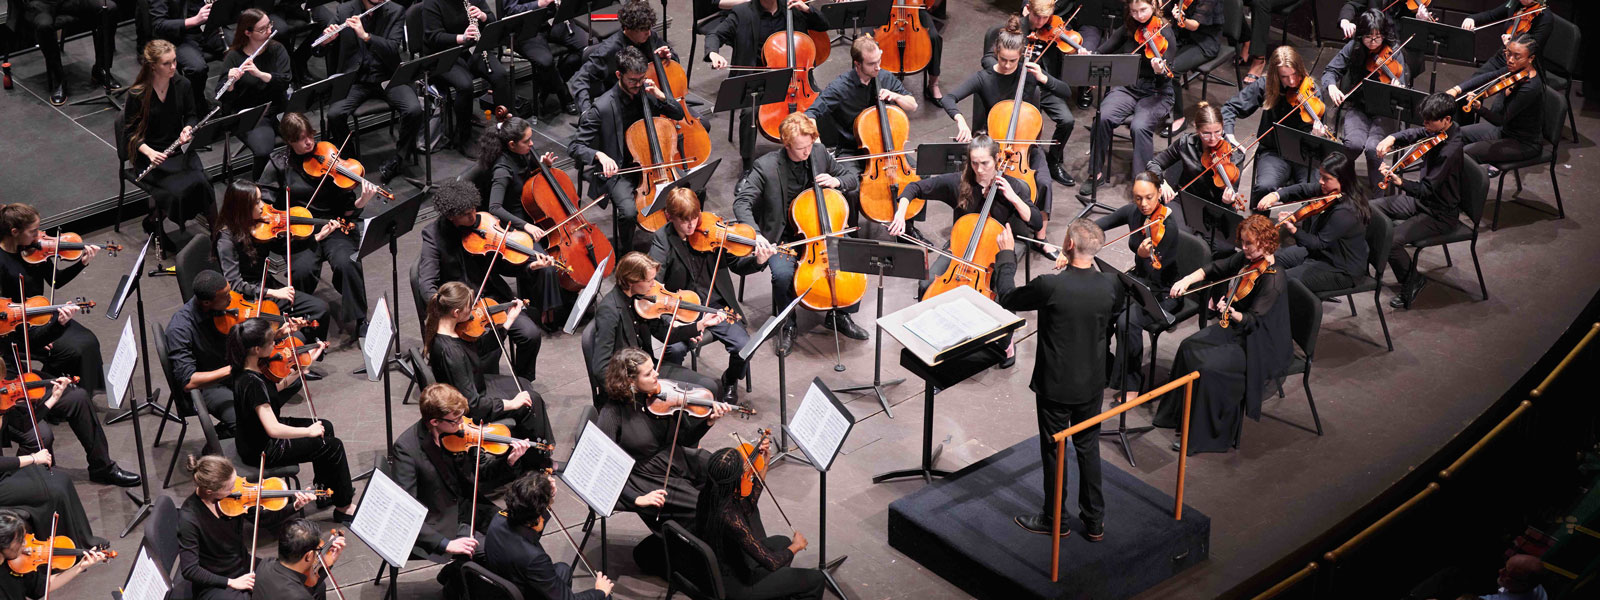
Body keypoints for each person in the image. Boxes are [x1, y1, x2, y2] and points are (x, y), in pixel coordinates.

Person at [992, 218, 1122, 540]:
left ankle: (1055, 519)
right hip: (1092, 382)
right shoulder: (1111, 284)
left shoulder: (1050, 286)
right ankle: (1094, 522)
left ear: (1068, 245)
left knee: (1055, 450)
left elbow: (1008, 297)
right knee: (1088, 447)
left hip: (1056, 386)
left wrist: (1006, 256)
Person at [1155, 215, 1292, 454]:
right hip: (1237, 328)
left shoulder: (1274, 279)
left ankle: (1203, 436)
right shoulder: (1247, 260)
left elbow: (1254, 320)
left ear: (1265, 243)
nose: (1243, 248)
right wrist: (1187, 280)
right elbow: (1215, 268)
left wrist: (1231, 311)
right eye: (1243, 242)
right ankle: (1176, 415)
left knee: (1208, 368)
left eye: (1249, 243)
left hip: (1259, 342)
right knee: (1188, 346)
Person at [732, 113, 865, 354]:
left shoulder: (819, 152)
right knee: (782, 275)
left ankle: (839, 315)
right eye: (800, 148)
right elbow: (742, 202)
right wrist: (757, 235)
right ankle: (787, 323)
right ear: (786, 144)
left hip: (820, 231)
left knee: (850, 257)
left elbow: (851, 177)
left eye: (809, 146)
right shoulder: (766, 166)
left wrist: (836, 181)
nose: (806, 152)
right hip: (783, 237)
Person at [945, 19, 1073, 237]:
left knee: (1043, 181)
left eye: (1012, 61)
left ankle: (1040, 236)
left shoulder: (1029, 74)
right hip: (993, 145)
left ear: (1021, 55)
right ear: (996, 52)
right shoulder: (983, 78)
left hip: (1024, 146)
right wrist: (960, 120)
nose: (1006, 65)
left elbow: (1066, 92)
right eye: (1002, 59)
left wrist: (1043, 78)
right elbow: (949, 98)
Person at [649, 189, 777, 405]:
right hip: (683, 309)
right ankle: (672, 391)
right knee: (675, 348)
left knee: (744, 345)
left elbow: (737, 265)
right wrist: (674, 320)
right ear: (670, 217)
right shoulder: (663, 240)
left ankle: (730, 379)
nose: (692, 225)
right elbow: (654, 286)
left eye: (694, 217)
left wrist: (758, 261)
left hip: (716, 306)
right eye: (684, 220)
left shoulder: (711, 229)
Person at [258, 113, 379, 338]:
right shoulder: (278, 163)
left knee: (347, 263)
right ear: (289, 141)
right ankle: (304, 323)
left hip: (333, 225)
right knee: (301, 271)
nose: (308, 143)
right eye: (301, 139)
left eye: (310, 136)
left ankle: (361, 319)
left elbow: (347, 209)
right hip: (302, 231)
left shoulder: (328, 155)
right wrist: (278, 216)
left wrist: (361, 202)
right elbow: (264, 198)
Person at [225, 318, 355, 523]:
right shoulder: (251, 383)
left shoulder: (248, 367)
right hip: (263, 448)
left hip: (252, 436)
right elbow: (273, 429)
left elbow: (275, 388)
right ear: (257, 349)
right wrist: (308, 431)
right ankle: (344, 506)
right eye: (271, 343)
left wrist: (303, 366)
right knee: (333, 446)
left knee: (326, 426)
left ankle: (324, 491)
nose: (275, 345)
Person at [418, 181, 553, 378]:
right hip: (461, 308)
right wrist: (450, 309)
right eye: (466, 215)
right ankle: (485, 390)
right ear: (451, 216)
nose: (473, 217)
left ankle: (523, 382)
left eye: (474, 210)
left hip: (493, 297)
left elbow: (501, 265)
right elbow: (426, 284)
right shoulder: (433, 236)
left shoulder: (483, 227)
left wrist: (530, 266)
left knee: (530, 335)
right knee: (485, 350)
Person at [885, 135, 1043, 301]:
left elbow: (1036, 222)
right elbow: (914, 187)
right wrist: (901, 213)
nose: (979, 169)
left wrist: (1013, 198)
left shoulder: (1013, 186)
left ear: (997, 159)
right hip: (960, 245)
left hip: (996, 248)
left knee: (997, 296)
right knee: (927, 284)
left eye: (985, 163)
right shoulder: (958, 183)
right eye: (974, 163)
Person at [394, 384, 534, 561]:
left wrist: (509, 460)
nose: (462, 423)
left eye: (462, 416)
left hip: (469, 506)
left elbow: (481, 475)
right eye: (456, 419)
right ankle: (461, 580)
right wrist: (446, 544)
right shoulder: (407, 449)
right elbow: (406, 512)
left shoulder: (458, 435)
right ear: (434, 422)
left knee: (520, 533)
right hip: (440, 520)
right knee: (497, 552)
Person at [568, 45, 686, 255]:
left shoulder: (647, 92)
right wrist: (600, 155)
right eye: (633, 80)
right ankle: (627, 254)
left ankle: (682, 239)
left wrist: (661, 97)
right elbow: (575, 147)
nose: (638, 84)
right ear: (618, 75)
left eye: (641, 79)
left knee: (693, 190)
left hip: (654, 163)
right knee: (629, 213)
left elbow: (677, 115)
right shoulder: (602, 107)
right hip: (620, 171)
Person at [423, 282, 555, 461]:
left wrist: (508, 321)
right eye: (469, 308)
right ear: (456, 313)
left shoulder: (450, 330)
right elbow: (473, 404)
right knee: (532, 400)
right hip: (472, 404)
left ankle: (537, 451)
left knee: (524, 383)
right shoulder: (451, 354)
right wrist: (511, 403)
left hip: (477, 383)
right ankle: (539, 459)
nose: (473, 312)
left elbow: (480, 347)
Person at [599, 347, 732, 522]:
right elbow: (604, 467)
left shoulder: (661, 398)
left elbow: (685, 439)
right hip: (646, 475)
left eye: (654, 368)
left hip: (675, 458)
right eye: (648, 374)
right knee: (705, 508)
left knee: (727, 474)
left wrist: (708, 421)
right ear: (630, 381)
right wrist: (636, 498)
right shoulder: (611, 414)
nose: (656, 375)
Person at [167, 270, 306, 433]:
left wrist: (275, 335)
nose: (231, 297)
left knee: (291, 378)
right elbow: (189, 381)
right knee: (241, 419)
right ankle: (233, 432)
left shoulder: (226, 309)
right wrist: (237, 367)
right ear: (206, 302)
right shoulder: (180, 329)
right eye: (226, 296)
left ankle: (262, 422)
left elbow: (244, 342)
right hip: (210, 384)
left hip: (234, 369)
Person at [703, 0, 830, 167]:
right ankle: (748, 166)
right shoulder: (742, 13)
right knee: (749, 112)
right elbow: (715, 35)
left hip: (797, 80)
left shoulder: (793, 9)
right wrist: (713, 53)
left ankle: (819, 157)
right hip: (759, 79)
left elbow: (823, 25)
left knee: (824, 105)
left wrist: (807, 10)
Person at [1097, 171, 1189, 399]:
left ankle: (1132, 384)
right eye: (1138, 197)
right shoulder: (1134, 212)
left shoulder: (1169, 228)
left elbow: (1156, 273)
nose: (1144, 204)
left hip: (1164, 293)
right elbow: (1103, 223)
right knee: (1102, 307)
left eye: (1149, 197)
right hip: (1139, 281)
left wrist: (1144, 256)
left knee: (1126, 322)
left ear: (1160, 193)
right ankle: (1104, 366)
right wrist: (1077, 233)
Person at [0, 204, 107, 394]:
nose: (38, 236)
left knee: (88, 340)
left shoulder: (33, 251)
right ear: (15, 232)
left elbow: (56, 281)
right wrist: (43, 333)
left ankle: (84, 394)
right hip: (18, 328)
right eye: (33, 232)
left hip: (43, 314)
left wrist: (81, 263)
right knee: (72, 350)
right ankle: (56, 393)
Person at [1370, 92, 1464, 309]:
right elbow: (1418, 132)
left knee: (1393, 242)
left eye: (1429, 122)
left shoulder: (1450, 151)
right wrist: (1392, 138)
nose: (1425, 125)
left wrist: (1399, 181)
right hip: (1423, 203)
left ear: (1446, 120)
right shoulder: (1442, 130)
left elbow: (1426, 189)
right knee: (1371, 210)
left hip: (1440, 213)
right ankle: (1379, 261)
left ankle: (1413, 281)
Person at [692, 447, 825, 600]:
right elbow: (772, 563)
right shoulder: (731, 518)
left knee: (783, 541)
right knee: (816, 579)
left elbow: (749, 505)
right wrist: (796, 546)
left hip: (724, 561)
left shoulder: (709, 494)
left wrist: (765, 464)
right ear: (735, 479)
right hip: (736, 584)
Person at [587, 252, 726, 398]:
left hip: (650, 369)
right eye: (649, 280)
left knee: (709, 388)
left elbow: (665, 334)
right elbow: (601, 368)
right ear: (631, 281)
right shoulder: (609, 312)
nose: (654, 284)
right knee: (695, 397)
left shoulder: (641, 300)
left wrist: (700, 325)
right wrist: (633, 390)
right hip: (632, 381)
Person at [179, 454, 317, 599]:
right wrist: (231, 582)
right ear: (210, 491)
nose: (236, 490)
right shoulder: (189, 518)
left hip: (244, 565)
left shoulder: (235, 497)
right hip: (216, 582)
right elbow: (190, 570)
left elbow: (263, 519)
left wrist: (295, 506)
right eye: (230, 488)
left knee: (295, 583)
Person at [1077, 0, 1177, 199]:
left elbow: (1169, 74)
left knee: (1139, 127)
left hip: (1157, 92)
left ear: (1154, 7)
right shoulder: (1130, 27)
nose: (1139, 16)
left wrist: (1160, 71)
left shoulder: (1165, 32)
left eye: (1143, 10)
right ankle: (1095, 172)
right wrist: (1091, 55)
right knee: (1103, 117)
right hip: (1129, 86)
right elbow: (1107, 47)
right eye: (1134, 11)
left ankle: (1144, 182)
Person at [123, 39, 215, 254]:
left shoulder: (182, 84)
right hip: (150, 156)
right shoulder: (138, 94)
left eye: (174, 61)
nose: (173, 67)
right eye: (167, 63)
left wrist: (188, 129)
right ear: (153, 65)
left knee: (204, 182)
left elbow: (191, 114)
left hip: (176, 151)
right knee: (177, 191)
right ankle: (154, 222)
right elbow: (128, 133)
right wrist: (149, 151)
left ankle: (216, 234)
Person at [213, 180, 334, 343]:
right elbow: (235, 285)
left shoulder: (257, 224)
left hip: (266, 284)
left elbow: (281, 247)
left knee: (320, 309)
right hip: (249, 299)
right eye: (257, 202)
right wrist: (273, 292)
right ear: (242, 207)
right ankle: (293, 354)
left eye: (261, 199)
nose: (263, 205)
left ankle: (307, 354)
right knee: (306, 316)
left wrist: (316, 238)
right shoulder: (226, 241)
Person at [981, 0, 1081, 187]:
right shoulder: (1012, 29)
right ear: (1028, 10)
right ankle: (1026, 161)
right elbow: (987, 59)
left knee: (1067, 120)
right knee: (1027, 129)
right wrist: (1009, 69)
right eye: (1037, 17)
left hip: (1043, 85)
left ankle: (1054, 160)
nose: (1041, 22)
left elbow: (1063, 76)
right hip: (1017, 87)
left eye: (1046, 17)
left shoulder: (1054, 30)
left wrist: (1077, 55)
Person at [318, 0, 421, 183]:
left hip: (387, 77)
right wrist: (327, 42)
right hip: (356, 81)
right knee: (335, 114)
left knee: (413, 109)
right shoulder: (344, 10)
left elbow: (392, 48)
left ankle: (399, 159)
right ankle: (351, 160)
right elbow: (318, 51)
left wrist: (366, 36)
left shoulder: (395, 10)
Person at [479, 471, 616, 600]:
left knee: (564, 569)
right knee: (605, 596)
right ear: (536, 514)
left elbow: (529, 532)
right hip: (524, 594)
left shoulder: (498, 519)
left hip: (505, 583)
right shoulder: (535, 559)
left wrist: (546, 500)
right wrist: (600, 591)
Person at [475, 118, 565, 316]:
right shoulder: (502, 171)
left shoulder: (522, 154)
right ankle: (545, 313)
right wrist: (526, 226)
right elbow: (495, 208)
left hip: (533, 215)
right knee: (547, 265)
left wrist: (543, 166)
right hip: (516, 226)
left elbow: (528, 176)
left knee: (561, 256)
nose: (532, 144)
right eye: (527, 141)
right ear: (512, 145)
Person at [1222, 45, 1330, 207]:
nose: (1292, 81)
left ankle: (1306, 230)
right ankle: (1258, 227)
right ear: (1276, 75)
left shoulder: (1313, 92)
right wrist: (1229, 136)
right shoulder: (1266, 85)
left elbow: (1323, 137)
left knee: (1314, 192)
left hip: (1305, 155)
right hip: (1274, 152)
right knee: (1264, 187)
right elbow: (1230, 108)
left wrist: (1317, 136)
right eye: (1285, 77)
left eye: (1295, 74)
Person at [1, 362, 140, 487]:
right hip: (5, 403)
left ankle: (102, 468)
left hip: (15, 379)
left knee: (77, 397)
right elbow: (24, 424)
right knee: (41, 435)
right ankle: (25, 484)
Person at [1256, 152, 1372, 294]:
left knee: (1278, 281)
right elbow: (1303, 189)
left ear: (1342, 180)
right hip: (1321, 254)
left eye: (1326, 178)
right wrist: (1276, 195)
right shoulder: (1331, 192)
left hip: (1340, 269)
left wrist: (1294, 230)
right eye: (1321, 176)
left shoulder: (1346, 211)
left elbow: (1318, 243)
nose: (1321, 181)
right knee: (1269, 259)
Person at [1322, 8, 1407, 187]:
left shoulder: (1394, 52)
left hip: (1385, 111)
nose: (1374, 42)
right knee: (1353, 144)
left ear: (1384, 34)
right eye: (1368, 37)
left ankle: (1378, 197)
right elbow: (1330, 70)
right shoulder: (1354, 47)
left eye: (1378, 37)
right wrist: (1331, 86)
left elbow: (1403, 90)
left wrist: (1397, 88)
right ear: (1361, 35)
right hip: (1358, 106)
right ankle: (1341, 184)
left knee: (1373, 148)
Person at [421, 0, 515, 153]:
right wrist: (461, 38)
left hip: (471, 50)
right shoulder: (432, 3)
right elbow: (433, 37)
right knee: (465, 86)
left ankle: (506, 127)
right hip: (444, 54)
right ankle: (464, 136)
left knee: (500, 75)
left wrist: (484, 16)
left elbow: (492, 22)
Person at [805, 34, 917, 160]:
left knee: (920, 175)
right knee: (852, 179)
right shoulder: (840, 87)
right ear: (857, 64)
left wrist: (896, 96)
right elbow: (810, 115)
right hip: (852, 150)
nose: (878, 67)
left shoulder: (885, 77)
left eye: (879, 60)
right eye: (871, 64)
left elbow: (913, 105)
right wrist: (819, 150)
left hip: (886, 146)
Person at [1445, 35, 1544, 170]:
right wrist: (1457, 89)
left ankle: (1464, 189)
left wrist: (1480, 109)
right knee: (1454, 135)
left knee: (1466, 153)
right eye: (1508, 54)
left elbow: (1500, 119)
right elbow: (1488, 77)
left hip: (1523, 142)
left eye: (1517, 56)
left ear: (1531, 59)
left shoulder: (1530, 88)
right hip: (1504, 131)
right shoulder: (1513, 71)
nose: (1510, 60)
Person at [213, 9, 290, 179]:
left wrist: (261, 74)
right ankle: (260, 190)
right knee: (263, 151)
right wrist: (231, 83)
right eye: (262, 29)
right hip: (251, 114)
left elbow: (285, 81)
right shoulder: (233, 57)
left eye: (269, 25)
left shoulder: (277, 49)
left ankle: (296, 178)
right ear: (247, 32)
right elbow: (221, 96)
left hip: (278, 108)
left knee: (303, 137)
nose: (269, 31)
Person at [571, 0, 678, 115]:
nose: (648, 33)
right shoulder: (610, 49)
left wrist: (668, 57)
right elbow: (579, 79)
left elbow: (675, 64)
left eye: (649, 27)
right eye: (642, 29)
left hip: (655, 94)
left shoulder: (651, 36)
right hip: (627, 101)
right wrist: (586, 111)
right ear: (628, 27)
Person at [1150, 101, 1246, 212]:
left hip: (1216, 206)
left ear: (1223, 127)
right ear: (1196, 128)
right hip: (1186, 200)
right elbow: (1154, 163)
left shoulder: (1234, 154)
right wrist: (1162, 182)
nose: (1213, 138)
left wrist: (1227, 201)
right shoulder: (1185, 142)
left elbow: (1231, 193)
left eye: (1218, 132)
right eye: (1206, 133)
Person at [500, 0, 589, 117]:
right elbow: (510, 11)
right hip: (526, 28)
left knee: (589, 48)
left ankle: (552, 82)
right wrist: (540, 3)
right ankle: (563, 93)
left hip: (554, 21)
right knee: (545, 62)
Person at [26, 0, 120, 105]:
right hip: (41, 4)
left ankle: (101, 68)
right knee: (44, 26)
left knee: (110, 9)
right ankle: (59, 80)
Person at [0, 509, 107, 599]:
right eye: (20, 540)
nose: (25, 544)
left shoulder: (16, 563)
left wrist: (79, 567)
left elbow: (42, 586)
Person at [148, 0, 226, 112]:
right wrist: (195, 20)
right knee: (197, 68)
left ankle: (229, 96)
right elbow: (159, 25)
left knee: (241, 48)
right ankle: (197, 105)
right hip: (181, 36)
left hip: (210, 28)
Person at [1162, 0, 1224, 137]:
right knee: (1156, 57)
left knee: (1172, 70)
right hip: (1182, 36)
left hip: (1204, 42)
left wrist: (1181, 18)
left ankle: (1178, 118)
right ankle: (1158, 106)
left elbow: (1194, 25)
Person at [251, 519, 345, 600]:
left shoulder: (266, 563)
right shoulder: (300, 596)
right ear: (308, 556)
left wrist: (329, 561)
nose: (318, 554)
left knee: (320, 588)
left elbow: (305, 585)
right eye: (318, 551)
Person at [1461, 0, 1551, 79]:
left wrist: (1511, 44)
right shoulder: (1515, 4)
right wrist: (1472, 19)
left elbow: (1535, 47)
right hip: (1502, 57)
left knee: (1485, 85)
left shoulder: (1544, 17)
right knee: (1473, 83)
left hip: (1522, 65)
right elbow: (1492, 15)